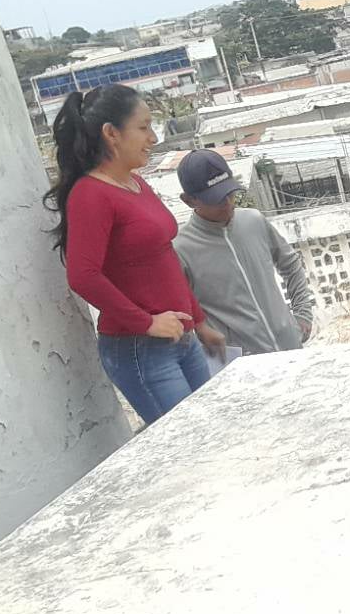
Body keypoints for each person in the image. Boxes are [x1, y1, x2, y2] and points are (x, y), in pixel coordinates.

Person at [46, 84, 224, 425]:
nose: (153, 138)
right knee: (189, 441)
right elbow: (83, 275)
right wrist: (147, 322)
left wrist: (199, 321)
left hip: (180, 337)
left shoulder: (137, 184)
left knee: (214, 431)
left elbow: (164, 259)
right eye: (143, 127)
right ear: (111, 133)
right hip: (141, 347)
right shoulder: (90, 194)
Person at [173, 149, 315, 355]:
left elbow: (291, 264)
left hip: (291, 348)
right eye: (215, 198)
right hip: (242, 364)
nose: (227, 203)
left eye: (229, 193)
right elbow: (184, 313)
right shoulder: (181, 250)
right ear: (189, 200)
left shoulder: (253, 221)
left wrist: (302, 315)